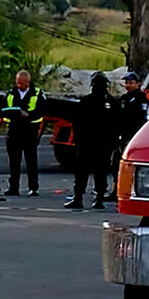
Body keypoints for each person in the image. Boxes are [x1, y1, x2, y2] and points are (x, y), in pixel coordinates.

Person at [64, 72, 119, 210]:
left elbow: (77, 123)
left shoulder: (86, 101)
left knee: (82, 173)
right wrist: (113, 143)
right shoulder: (112, 103)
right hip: (102, 146)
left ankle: (79, 199)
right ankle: (98, 199)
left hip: (88, 145)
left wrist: (78, 141)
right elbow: (118, 125)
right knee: (100, 173)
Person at [0, 70, 46, 196]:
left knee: (31, 161)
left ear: (28, 82)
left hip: (29, 132)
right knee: (14, 162)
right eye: (18, 82)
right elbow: (1, 111)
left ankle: (33, 188)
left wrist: (28, 115)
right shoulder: (10, 94)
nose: (19, 85)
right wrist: (7, 116)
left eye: (22, 83)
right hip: (14, 132)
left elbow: (42, 111)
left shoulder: (37, 94)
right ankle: (14, 188)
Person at [108, 71, 149, 201]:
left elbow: (139, 120)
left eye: (131, 83)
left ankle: (125, 191)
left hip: (132, 137)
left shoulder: (140, 99)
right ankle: (115, 190)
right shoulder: (124, 99)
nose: (128, 85)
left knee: (128, 166)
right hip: (121, 135)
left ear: (138, 84)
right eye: (126, 83)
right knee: (116, 165)